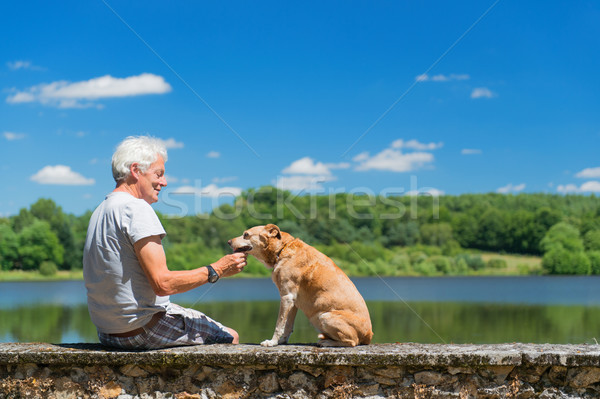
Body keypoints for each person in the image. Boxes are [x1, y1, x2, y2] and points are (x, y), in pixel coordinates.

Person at [83, 135, 247, 349]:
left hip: (108, 333)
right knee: (230, 337)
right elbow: (163, 284)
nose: (164, 182)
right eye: (158, 174)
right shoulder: (136, 208)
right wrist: (217, 269)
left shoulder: (100, 210)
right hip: (141, 330)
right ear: (135, 171)